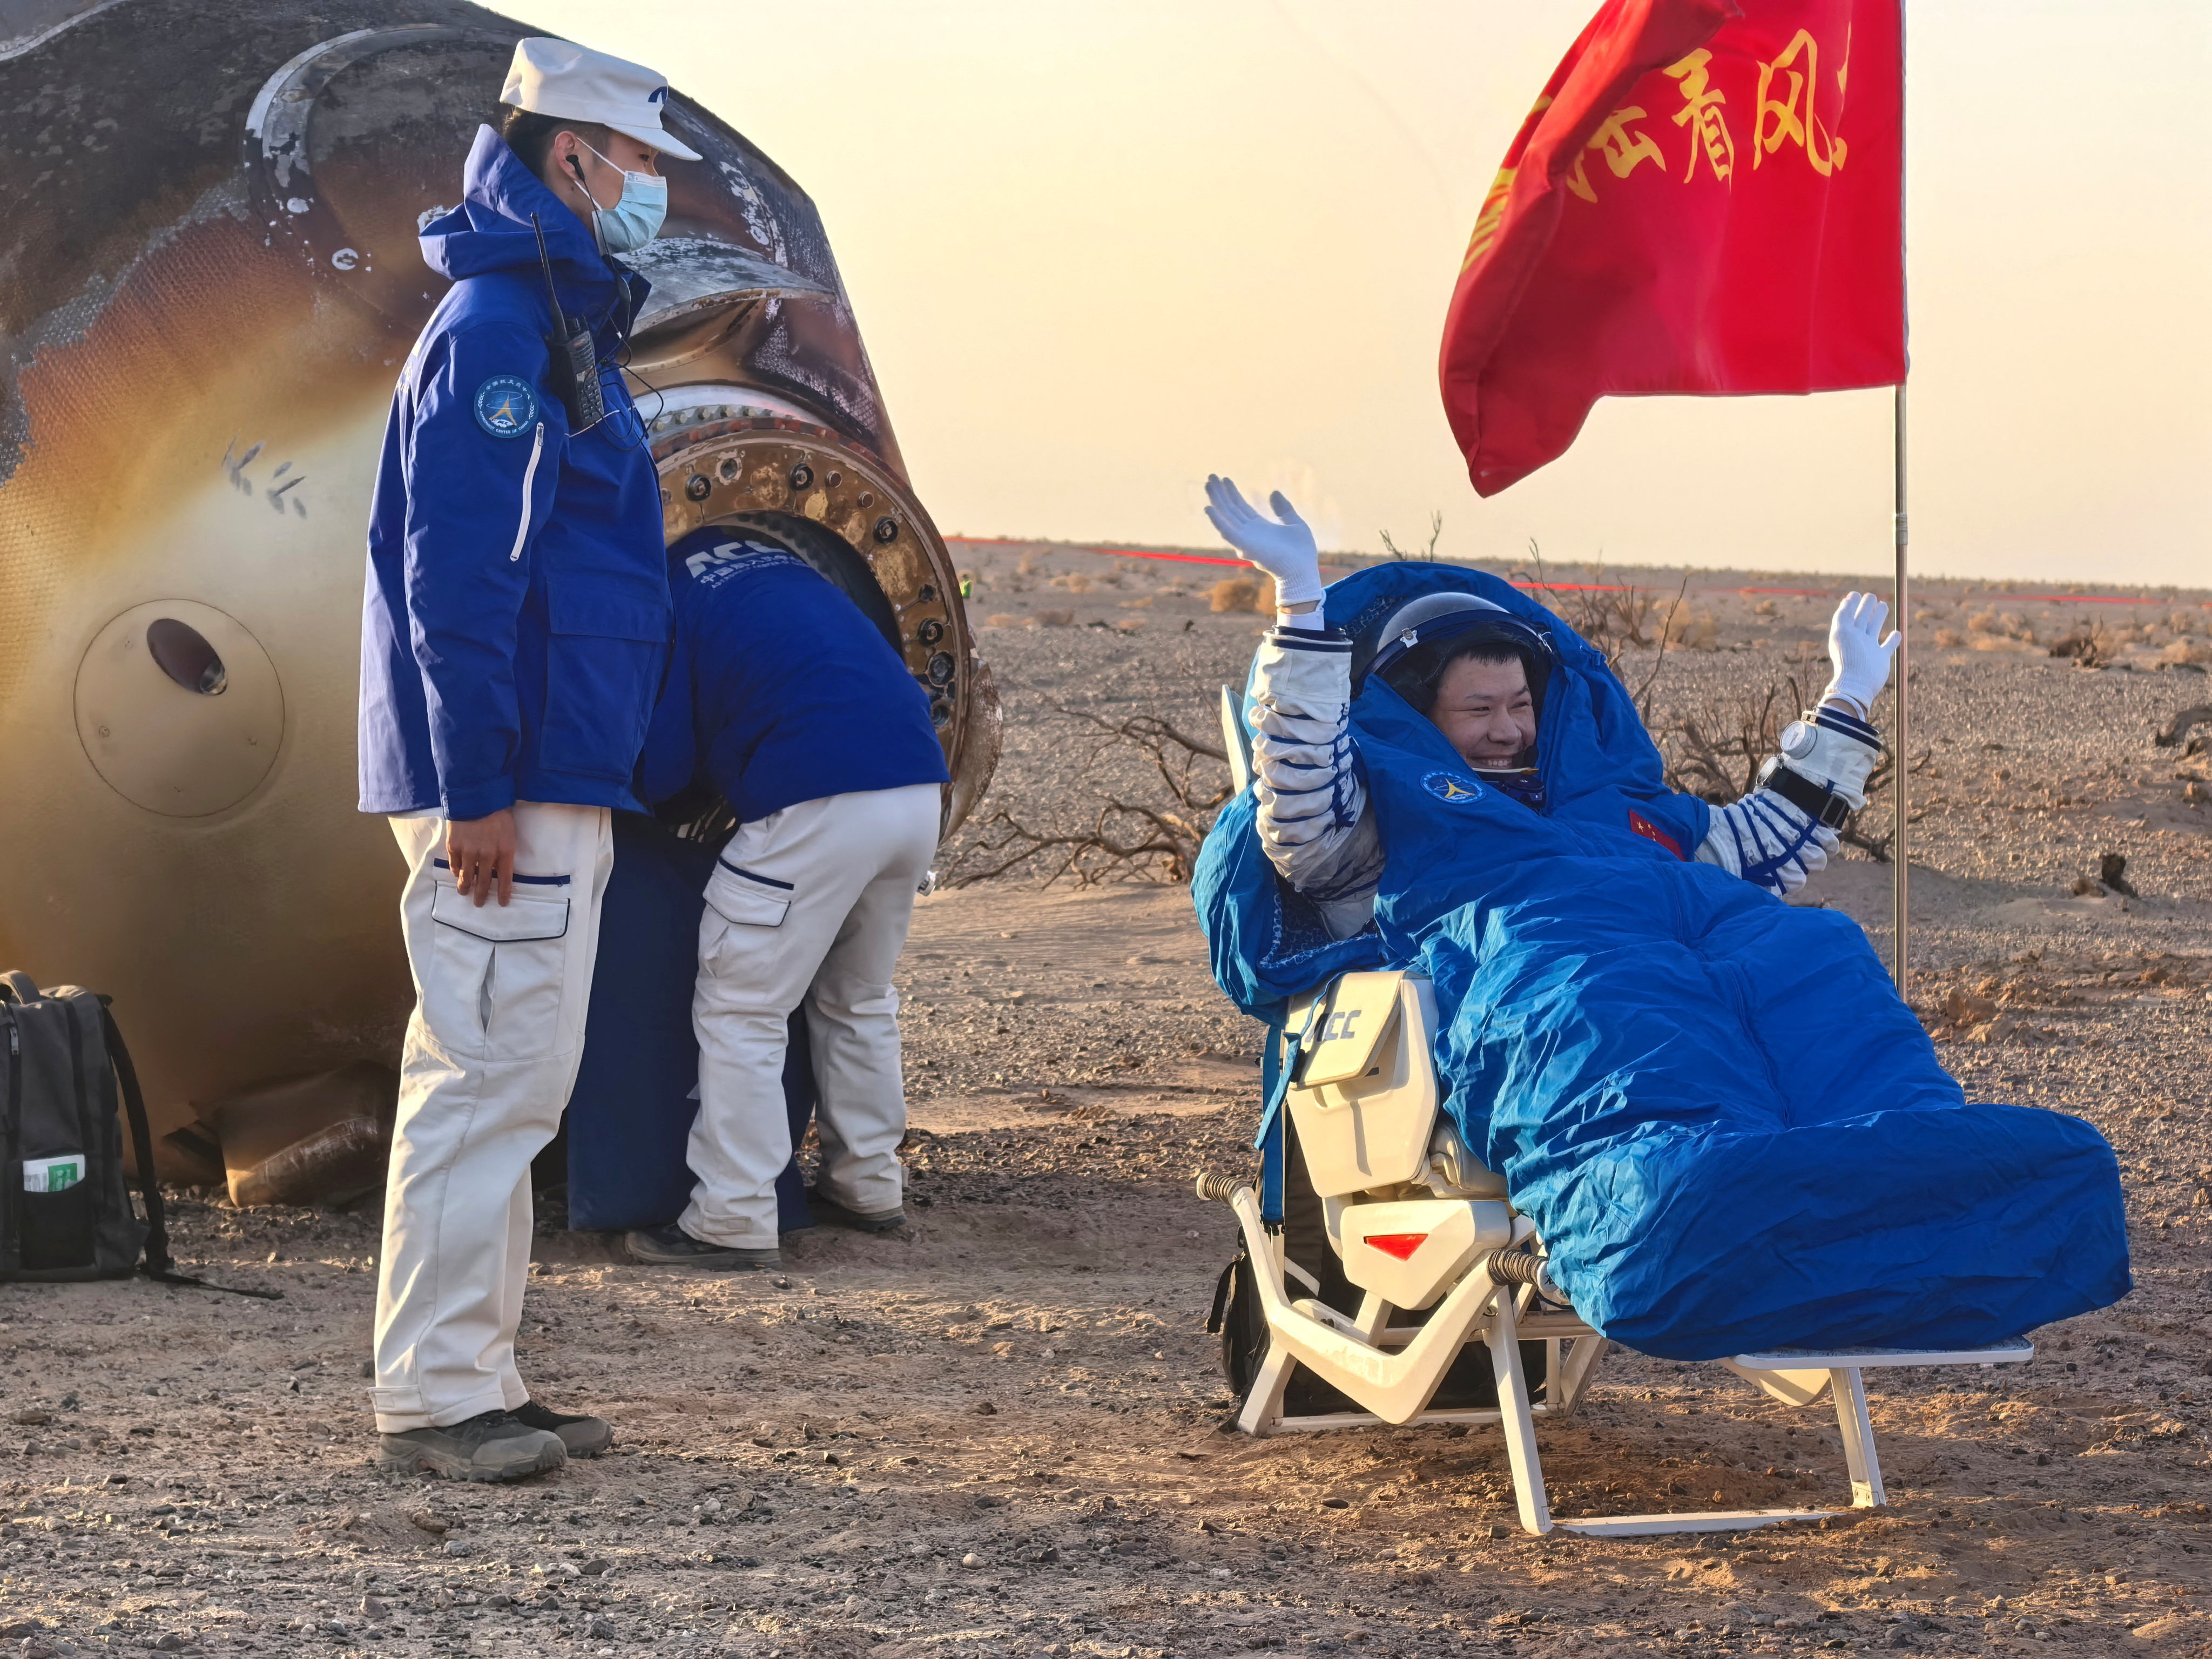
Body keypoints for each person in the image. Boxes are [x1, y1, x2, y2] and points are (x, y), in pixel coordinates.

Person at [355, 37, 698, 1482]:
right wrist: (479, 788)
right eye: (641, 165)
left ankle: (477, 1372)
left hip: (552, 772)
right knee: (483, 1078)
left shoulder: (554, 321)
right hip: (507, 783)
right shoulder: (501, 331)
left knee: (516, 1088)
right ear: (575, 157)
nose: (652, 193)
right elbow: (462, 580)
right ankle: (433, 1401)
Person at [1201, 475, 1894, 935]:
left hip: (1687, 969)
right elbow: (1301, 796)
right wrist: (1300, 603)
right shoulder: (1383, 818)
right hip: (1552, 1000)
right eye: (1477, 711)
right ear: (1419, 717)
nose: (1507, 730)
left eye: (1520, 704)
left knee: (1824, 952)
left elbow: (1757, 850)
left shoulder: (1618, 807)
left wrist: (1848, 698)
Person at [623, 528, 951, 1271]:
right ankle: (867, 1184)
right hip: (915, 790)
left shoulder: (668, 590)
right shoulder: (786, 572)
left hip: (816, 798)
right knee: (858, 996)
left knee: (742, 1003)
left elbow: (662, 765)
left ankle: (731, 1215)